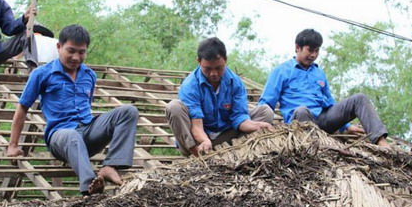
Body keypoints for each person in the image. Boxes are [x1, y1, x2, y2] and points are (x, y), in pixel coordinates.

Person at [7, 24, 139, 195]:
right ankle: (90, 184)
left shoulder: (89, 75)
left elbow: (87, 104)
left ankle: (110, 166)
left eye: (81, 52)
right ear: (59, 47)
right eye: (71, 51)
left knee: (128, 111)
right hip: (61, 136)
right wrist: (13, 145)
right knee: (72, 136)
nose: (76, 57)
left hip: (87, 130)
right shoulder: (42, 74)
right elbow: (22, 108)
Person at [258, 28, 391, 147]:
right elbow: (266, 103)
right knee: (301, 110)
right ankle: (314, 146)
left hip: (323, 119)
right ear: (297, 47)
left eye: (317, 51)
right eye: (310, 50)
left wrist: (347, 126)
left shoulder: (319, 73)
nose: (313, 55)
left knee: (359, 98)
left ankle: (380, 141)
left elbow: (330, 102)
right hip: (300, 121)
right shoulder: (281, 71)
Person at [165, 37, 274, 157]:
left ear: (225, 60)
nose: (214, 74)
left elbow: (240, 117)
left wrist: (257, 125)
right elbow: (196, 126)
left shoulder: (235, 82)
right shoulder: (190, 85)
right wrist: (204, 141)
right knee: (174, 107)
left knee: (266, 111)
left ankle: (238, 153)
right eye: (208, 69)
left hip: (226, 136)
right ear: (199, 61)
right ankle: (198, 157)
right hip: (199, 140)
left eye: (218, 68)